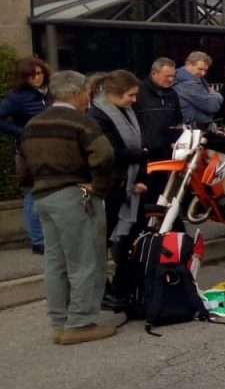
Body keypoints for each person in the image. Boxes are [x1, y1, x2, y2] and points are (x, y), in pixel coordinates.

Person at [16, 70, 117, 345]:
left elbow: (22, 165)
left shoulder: (33, 124)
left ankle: (60, 321)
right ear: (76, 93)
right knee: (85, 260)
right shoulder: (80, 122)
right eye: (86, 92)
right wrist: (99, 188)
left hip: (43, 196)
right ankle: (81, 321)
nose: (88, 97)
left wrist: (35, 186)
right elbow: (104, 155)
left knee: (55, 261)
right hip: (74, 194)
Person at [86, 70, 149, 275]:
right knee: (104, 237)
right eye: (130, 95)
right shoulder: (97, 115)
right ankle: (102, 285)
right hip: (112, 182)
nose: (134, 99)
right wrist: (140, 155)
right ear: (115, 93)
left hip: (128, 180)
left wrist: (139, 175)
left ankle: (125, 278)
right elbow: (111, 151)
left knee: (129, 234)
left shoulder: (126, 111)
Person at [0, 55, 53, 253]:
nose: (37, 78)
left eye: (39, 74)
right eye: (32, 75)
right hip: (28, 151)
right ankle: (37, 240)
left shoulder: (48, 95)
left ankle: (46, 236)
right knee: (32, 193)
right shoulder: (17, 97)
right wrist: (23, 132)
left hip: (52, 149)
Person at [132, 57, 183, 204]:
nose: (171, 79)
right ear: (154, 73)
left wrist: (176, 140)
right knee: (147, 192)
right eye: (167, 76)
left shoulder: (172, 94)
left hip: (167, 153)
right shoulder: (139, 94)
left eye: (173, 76)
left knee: (164, 192)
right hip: (147, 153)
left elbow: (178, 120)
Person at [173, 51, 222, 127]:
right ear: (189, 64)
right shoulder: (188, 83)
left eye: (205, 70)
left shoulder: (196, 79)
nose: (203, 73)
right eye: (200, 69)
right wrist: (217, 95)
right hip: (191, 130)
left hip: (194, 128)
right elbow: (212, 106)